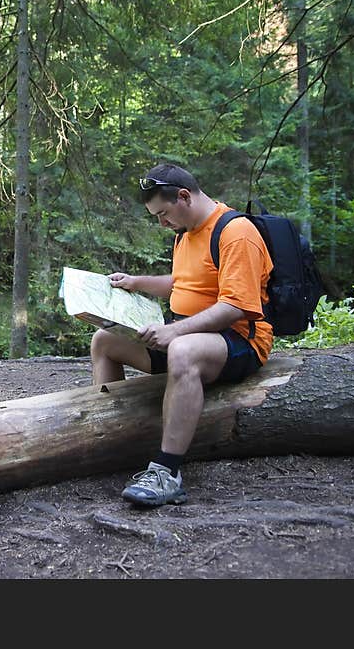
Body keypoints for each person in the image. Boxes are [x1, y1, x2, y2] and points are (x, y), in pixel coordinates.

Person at [90, 163, 274, 507]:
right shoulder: (185, 233)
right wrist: (135, 282)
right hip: (187, 333)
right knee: (105, 341)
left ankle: (167, 473)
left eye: (163, 213)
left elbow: (236, 306)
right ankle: (113, 441)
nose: (161, 223)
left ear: (184, 197)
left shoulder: (236, 232)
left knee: (183, 351)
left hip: (238, 341)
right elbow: (182, 282)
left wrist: (173, 331)